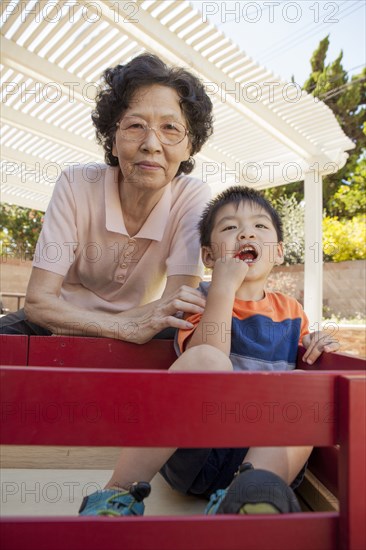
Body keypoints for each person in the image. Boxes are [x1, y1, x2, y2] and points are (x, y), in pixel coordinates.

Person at [79, 186, 339, 517]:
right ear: (209, 256)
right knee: (208, 358)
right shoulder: (196, 299)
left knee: (306, 384)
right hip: (196, 448)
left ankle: (244, 497)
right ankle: (117, 492)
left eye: (260, 226)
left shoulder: (291, 311)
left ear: (278, 252)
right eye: (230, 227)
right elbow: (209, 354)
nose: (246, 232)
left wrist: (319, 343)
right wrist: (224, 287)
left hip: (260, 457)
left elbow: (308, 360)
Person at [0, 53, 213, 343]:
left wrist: (126, 327)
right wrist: (119, 328)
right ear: (112, 140)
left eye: (170, 128)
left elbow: (178, 304)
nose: (151, 144)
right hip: (60, 321)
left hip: (144, 327)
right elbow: (39, 303)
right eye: (135, 126)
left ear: (190, 146)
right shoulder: (76, 184)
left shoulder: (192, 196)